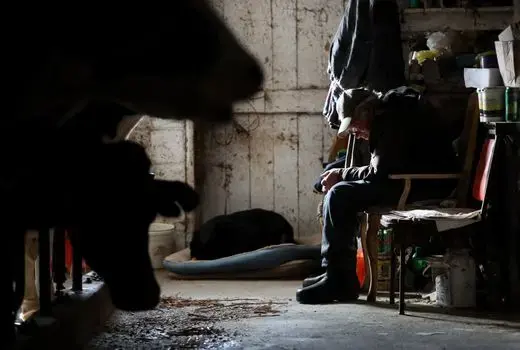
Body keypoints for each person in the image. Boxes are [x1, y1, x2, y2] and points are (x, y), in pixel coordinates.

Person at [296, 87, 459, 304]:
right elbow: (380, 166)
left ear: (366, 112)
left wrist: (342, 174)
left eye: (354, 125)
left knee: (339, 195)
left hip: (420, 183)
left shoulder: (393, 119)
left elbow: (380, 171)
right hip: (407, 179)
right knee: (339, 188)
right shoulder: (387, 114)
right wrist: (337, 172)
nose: (355, 132)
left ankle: (338, 280)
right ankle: (337, 274)